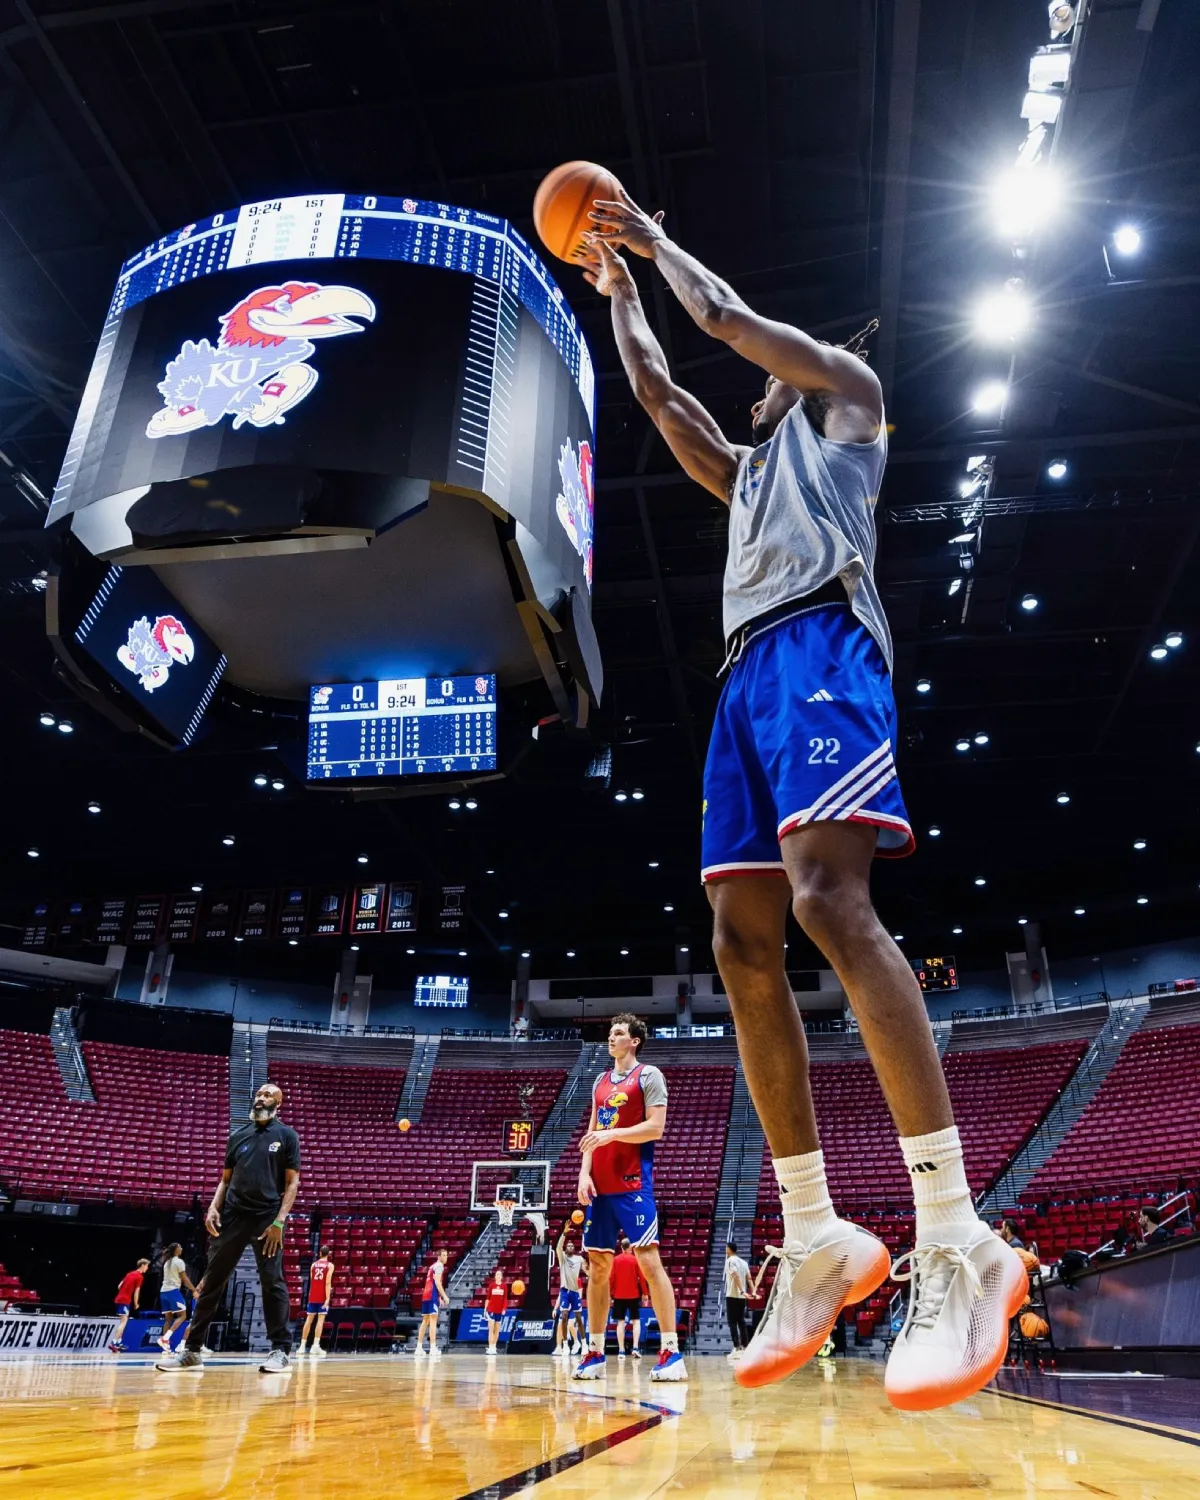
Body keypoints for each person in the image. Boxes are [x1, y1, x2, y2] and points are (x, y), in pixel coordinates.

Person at [582, 199, 1026, 1412]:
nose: (752, 386)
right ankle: (818, 1230)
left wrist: (652, 240)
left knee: (834, 901)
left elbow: (721, 322)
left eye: (766, 373)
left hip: (827, 642)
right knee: (738, 942)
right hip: (744, 678)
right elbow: (669, 399)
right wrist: (621, 300)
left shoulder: (850, 401)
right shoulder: (745, 476)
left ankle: (957, 1234)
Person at [156, 1082, 301, 1375]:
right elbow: (225, 1179)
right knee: (211, 1282)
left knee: (272, 1282)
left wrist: (279, 1222)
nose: (261, 1097)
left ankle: (280, 1351)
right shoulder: (238, 1136)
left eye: (268, 1095)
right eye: (259, 1093)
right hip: (233, 1216)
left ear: (279, 1104)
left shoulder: (286, 1136)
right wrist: (213, 1206)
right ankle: (192, 1351)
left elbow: (292, 1183)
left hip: (266, 1219)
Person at [573, 1013, 686, 1382]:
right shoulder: (600, 1081)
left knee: (649, 1261)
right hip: (600, 1186)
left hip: (634, 1182)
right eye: (610, 1032)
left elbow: (656, 1127)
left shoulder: (650, 1076)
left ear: (634, 1041)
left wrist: (613, 1135)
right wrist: (583, 1172)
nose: (612, 1038)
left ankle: (670, 1350)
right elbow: (592, 1131)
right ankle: (593, 1351)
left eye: (619, 1033)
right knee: (598, 1267)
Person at [610, 1236, 648, 1359]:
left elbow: (611, 1278)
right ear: (630, 1248)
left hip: (618, 1295)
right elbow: (642, 1278)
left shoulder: (615, 1260)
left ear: (621, 1247)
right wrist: (645, 1293)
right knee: (636, 1321)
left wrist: (610, 1294)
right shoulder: (635, 1260)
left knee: (620, 1322)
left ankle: (621, 1351)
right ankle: (635, 1348)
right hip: (633, 1295)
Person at [296, 1244, 334, 1359]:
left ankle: (302, 1346)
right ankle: (315, 1346)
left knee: (309, 1320)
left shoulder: (313, 1265)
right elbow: (327, 1282)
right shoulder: (330, 1265)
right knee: (320, 1321)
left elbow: (313, 1281)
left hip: (313, 1295)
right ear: (328, 1254)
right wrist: (327, 1297)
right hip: (322, 1296)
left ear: (319, 1253)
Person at [157, 1243, 197, 1352]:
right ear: (176, 1250)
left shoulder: (167, 1262)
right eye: (180, 1247)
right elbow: (185, 1279)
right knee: (183, 1316)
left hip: (163, 1292)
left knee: (168, 1319)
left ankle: (166, 1347)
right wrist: (194, 1290)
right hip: (173, 1291)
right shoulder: (179, 1262)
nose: (182, 1249)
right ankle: (165, 1338)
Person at [553, 1228, 586, 1358]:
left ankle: (581, 1343)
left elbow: (587, 1270)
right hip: (565, 1292)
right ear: (566, 1248)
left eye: (572, 1246)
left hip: (575, 1295)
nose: (570, 1247)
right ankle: (565, 1345)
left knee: (574, 1322)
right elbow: (558, 1247)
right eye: (568, 1245)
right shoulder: (563, 1259)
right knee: (564, 1319)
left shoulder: (579, 1260)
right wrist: (564, 1233)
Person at [110, 1258, 149, 1352]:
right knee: (123, 1322)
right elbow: (137, 1291)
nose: (147, 1268)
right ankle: (114, 1342)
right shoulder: (139, 1277)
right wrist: (136, 1303)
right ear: (143, 1265)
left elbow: (119, 1286)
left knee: (123, 1321)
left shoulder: (129, 1273)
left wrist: (124, 1291)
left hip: (119, 1299)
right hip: (125, 1301)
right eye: (147, 1266)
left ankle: (119, 1341)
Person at [416, 1248, 449, 1357]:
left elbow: (433, 1282)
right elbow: (438, 1283)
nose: (446, 1257)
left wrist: (438, 1296)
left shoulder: (432, 1266)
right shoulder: (439, 1266)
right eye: (444, 1255)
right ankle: (433, 1348)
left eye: (446, 1255)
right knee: (433, 1320)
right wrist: (444, 1296)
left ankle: (419, 1348)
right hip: (432, 1295)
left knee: (425, 1321)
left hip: (426, 1294)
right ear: (439, 1257)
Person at [723, 1242, 751, 1361]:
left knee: (732, 1322)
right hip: (742, 1297)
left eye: (726, 1248)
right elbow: (749, 1278)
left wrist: (741, 1290)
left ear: (729, 1249)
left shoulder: (730, 1260)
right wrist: (752, 1291)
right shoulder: (744, 1262)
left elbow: (735, 1275)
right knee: (741, 1321)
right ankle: (745, 1348)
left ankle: (737, 1348)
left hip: (733, 1295)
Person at [484, 1268, 507, 1356]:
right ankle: (490, 1347)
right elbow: (488, 1298)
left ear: (501, 1277)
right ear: (495, 1276)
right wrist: (485, 1309)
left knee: (497, 1330)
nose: (498, 1276)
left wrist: (504, 1309)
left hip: (499, 1311)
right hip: (491, 1310)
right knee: (491, 1329)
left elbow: (505, 1299)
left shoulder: (504, 1286)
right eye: (497, 1274)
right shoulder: (491, 1285)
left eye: (499, 1275)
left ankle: (494, 1346)